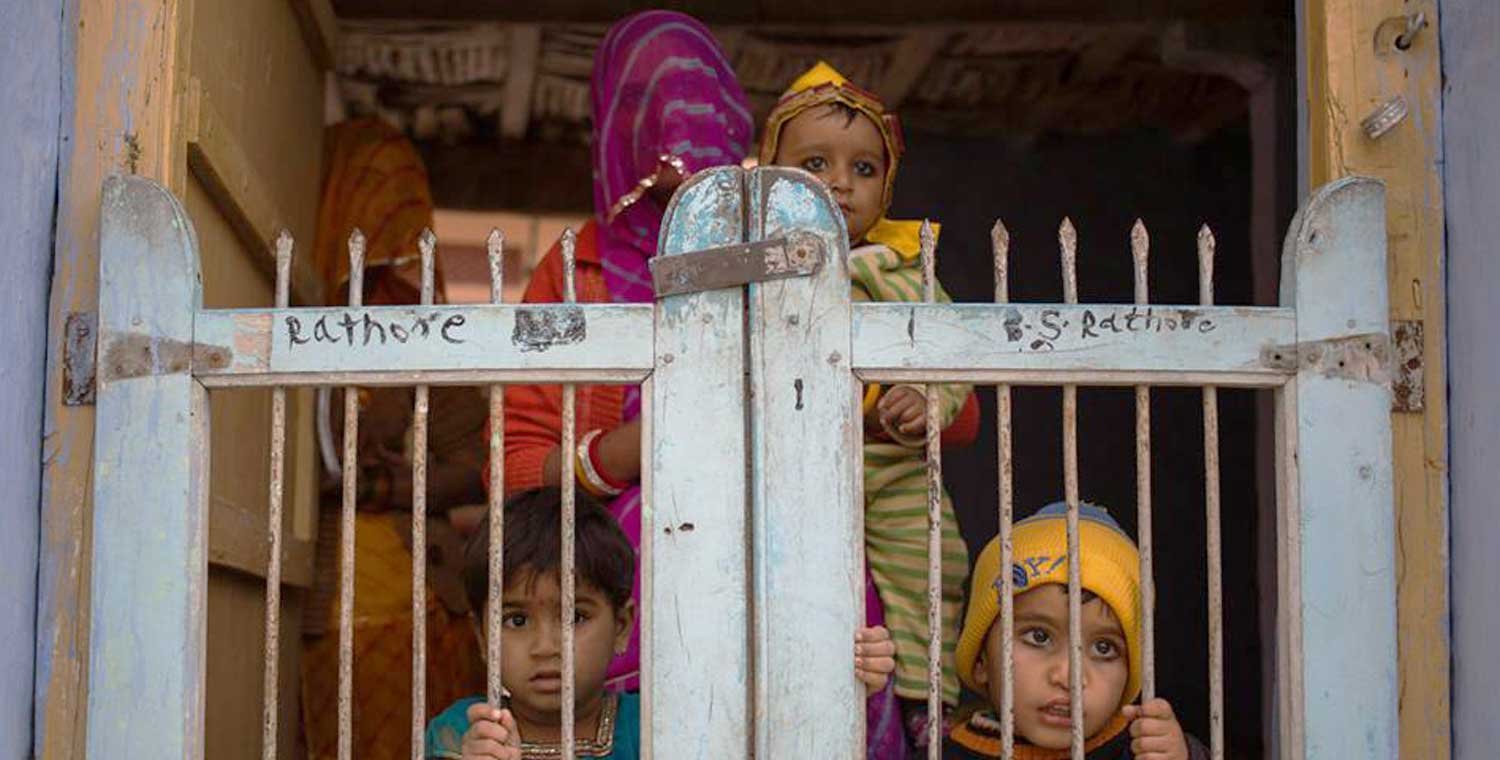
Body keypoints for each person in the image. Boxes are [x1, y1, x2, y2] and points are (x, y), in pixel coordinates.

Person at [760, 61, 975, 740]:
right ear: (768, 174)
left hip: (891, 473)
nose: (838, 184)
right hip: (783, 475)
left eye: (863, 169)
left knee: (932, 563)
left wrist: (924, 399)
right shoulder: (747, 263)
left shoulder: (904, 266)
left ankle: (925, 700)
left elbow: (950, 354)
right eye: (814, 163)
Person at [424, 487, 898, 759]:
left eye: (575, 616)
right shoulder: (461, 732)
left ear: (624, 627)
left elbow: (774, 725)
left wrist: (845, 675)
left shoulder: (658, 725)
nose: (546, 646)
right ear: (482, 637)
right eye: (516, 619)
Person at [947, 503, 1207, 759]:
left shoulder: (1142, 748)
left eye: (1103, 648)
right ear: (981, 658)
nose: (1069, 676)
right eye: (1039, 637)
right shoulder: (945, 752)